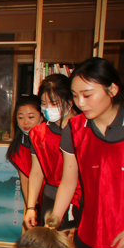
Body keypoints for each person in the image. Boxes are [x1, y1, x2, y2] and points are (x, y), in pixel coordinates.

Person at [51, 57, 124, 248]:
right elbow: (68, 182)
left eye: (87, 95)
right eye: (75, 96)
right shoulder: (74, 128)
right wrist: (52, 224)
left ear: (112, 89)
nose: (80, 103)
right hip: (90, 228)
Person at [23, 75, 81, 230]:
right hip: (50, 197)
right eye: (43, 103)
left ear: (70, 101)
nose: (48, 108)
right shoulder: (38, 133)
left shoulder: (82, 129)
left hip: (80, 201)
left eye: (54, 103)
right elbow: (36, 172)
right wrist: (31, 207)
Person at [6, 95, 45, 204]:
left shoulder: (50, 142)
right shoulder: (19, 148)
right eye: (21, 117)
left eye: (31, 117)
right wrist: (31, 208)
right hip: (38, 201)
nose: (26, 122)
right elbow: (25, 181)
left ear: (42, 116)